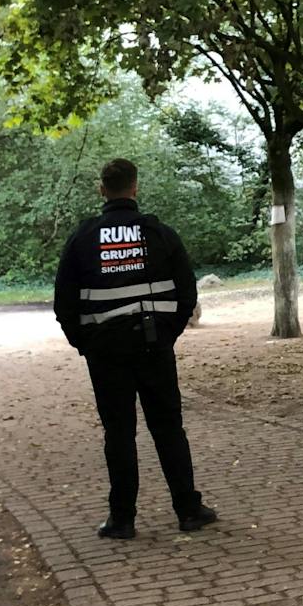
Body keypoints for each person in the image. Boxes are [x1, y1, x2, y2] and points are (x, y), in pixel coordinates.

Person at [53, 158, 217, 540]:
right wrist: (167, 334)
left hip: (106, 353)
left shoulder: (83, 238)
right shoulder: (158, 233)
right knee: (168, 428)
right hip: (153, 347)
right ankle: (188, 510)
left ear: (102, 190)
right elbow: (186, 292)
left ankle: (122, 519)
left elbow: (64, 303)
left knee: (119, 433)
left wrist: (86, 343)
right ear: (135, 188)